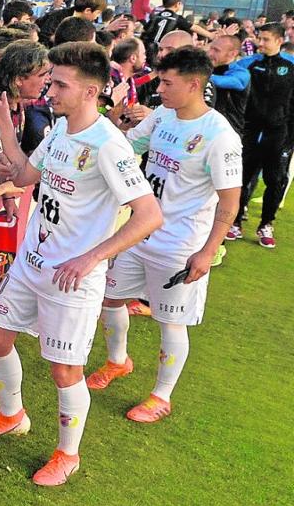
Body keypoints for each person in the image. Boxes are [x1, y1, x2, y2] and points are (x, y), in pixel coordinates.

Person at [0, 42, 161, 486]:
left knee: (64, 370)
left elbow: (149, 215)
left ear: (91, 92)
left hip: (72, 278)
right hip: (31, 263)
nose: (50, 89)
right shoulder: (58, 129)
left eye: (59, 83)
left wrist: (91, 257)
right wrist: (5, 129)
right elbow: (23, 176)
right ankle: (11, 416)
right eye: (50, 80)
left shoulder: (109, 146)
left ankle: (67, 454)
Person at [88, 46, 241, 422]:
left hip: (179, 246)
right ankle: (117, 361)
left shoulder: (220, 136)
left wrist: (207, 252)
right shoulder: (161, 117)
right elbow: (127, 148)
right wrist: (115, 121)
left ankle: (161, 396)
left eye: (167, 83)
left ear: (194, 85)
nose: (160, 89)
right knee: (110, 300)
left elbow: (229, 203)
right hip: (138, 233)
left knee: (171, 320)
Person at [228, 23, 294, 248]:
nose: (261, 43)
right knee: (242, 178)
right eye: (260, 38)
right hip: (250, 131)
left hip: (279, 133)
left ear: (278, 41)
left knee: (275, 181)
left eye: (266, 39)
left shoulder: (290, 67)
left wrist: (290, 138)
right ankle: (235, 222)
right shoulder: (250, 64)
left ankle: (266, 224)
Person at [206, 33, 250, 137]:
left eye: (216, 50)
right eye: (210, 48)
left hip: (228, 132)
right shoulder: (207, 67)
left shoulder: (241, 73)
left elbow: (231, 82)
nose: (210, 53)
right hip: (204, 129)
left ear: (232, 54)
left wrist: (196, 75)